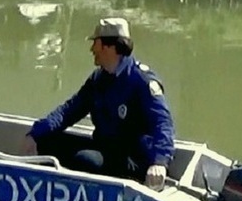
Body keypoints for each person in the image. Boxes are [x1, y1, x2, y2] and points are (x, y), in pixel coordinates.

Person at [25, 17, 174, 191]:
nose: (91, 49)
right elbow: (69, 111)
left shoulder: (142, 81)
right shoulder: (99, 79)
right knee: (47, 141)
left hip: (132, 159)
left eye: (95, 43)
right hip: (105, 148)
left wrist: (160, 162)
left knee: (85, 160)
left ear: (109, 46)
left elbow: (163, 123)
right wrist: (36, 133)